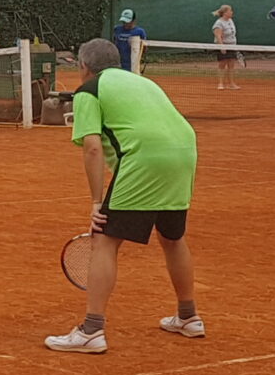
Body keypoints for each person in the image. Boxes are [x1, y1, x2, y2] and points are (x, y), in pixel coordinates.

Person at [46, 38, 203, 354]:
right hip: (185, 152)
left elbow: (92, 148)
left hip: (144, 158)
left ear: (83, 67)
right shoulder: (142, 82)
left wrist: (95, 202)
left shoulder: (89, 90)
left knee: (104, 239)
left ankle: (91, 330)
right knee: (173, 237)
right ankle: (189, 317)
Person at [212, 4, 241, 89]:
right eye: (230, 10)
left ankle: (231, 84)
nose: (232, 12)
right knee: (222, 64)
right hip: (223, 45)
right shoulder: (219, 23)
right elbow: (218, 36)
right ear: (225, 12)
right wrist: (222, 47)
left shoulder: (230, 20)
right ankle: (220, 84)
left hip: (232, 46)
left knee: (231, 64)